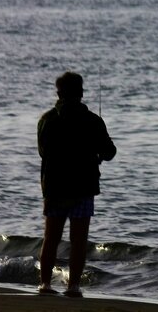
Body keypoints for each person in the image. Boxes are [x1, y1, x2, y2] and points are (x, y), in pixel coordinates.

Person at [36, 71, 116, 297]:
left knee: (51, 238)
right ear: (81, 93)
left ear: (58, 93)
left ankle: (45, 285)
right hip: (83, 188)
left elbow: (43, 152)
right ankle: (73, 287)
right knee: (78, 241)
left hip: (54, 187)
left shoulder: (47, 120)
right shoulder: (93, 121)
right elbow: (109, 152)